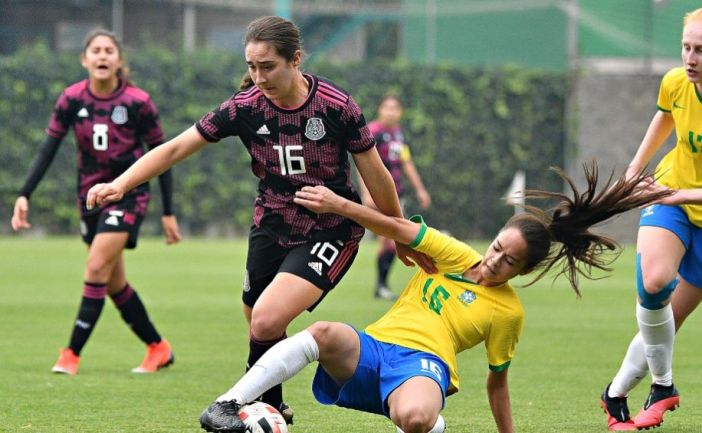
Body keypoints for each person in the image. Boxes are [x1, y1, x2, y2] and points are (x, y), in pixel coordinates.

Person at [86, 16, 432, 423]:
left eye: (267, 66)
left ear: (296, 60)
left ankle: (235, 407)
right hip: (270, 224)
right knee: (257, 319)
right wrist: (122, 183)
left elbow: (377, 176)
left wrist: (401, 232)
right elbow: (177, 147)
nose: (258, 76)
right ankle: (274, 407)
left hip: (330, 229)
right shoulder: (245, 107)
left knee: (267, 317)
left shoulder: (337, 107)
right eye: (252, 66)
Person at [197, 163, 673, 433]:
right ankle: (227, 403)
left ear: (522, 272)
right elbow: (400, 227)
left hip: (422, 367)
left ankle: (431, 423)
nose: (493, 262)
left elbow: (497, 382)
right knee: (322, 333)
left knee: (417, 417)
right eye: (496, 248)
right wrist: (342, 206)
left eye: (508, 262)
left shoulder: (507, 311)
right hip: (374, 348)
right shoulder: (455, 255)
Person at [599, 4, 702, 431]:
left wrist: (675, 194)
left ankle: (616, 390)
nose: (690, 59)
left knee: (670, 318)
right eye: (685, 48)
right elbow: (664, 117)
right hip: (672, 194)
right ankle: (663, 383)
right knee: (654, 284)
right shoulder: (676, 81)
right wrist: (635, 172)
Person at [10, 29, 182, 375]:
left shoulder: (138, 102)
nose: (102, 56)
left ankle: (71, 354)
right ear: (84, 59)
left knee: (94, 268)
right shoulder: (72, 99)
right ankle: (158, 347)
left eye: (109, 50)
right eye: (96, 51)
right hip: (89, 198)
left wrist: (167, 212)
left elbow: (162, 156)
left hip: (129, 195)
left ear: (119, 60)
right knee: (112, 282)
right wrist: (24, 193)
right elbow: (48, 149)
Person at [358, 95, 432, 300]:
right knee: (391, 241)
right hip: (379, 195)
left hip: (396, 195)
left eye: (395, 108)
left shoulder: (398, 135)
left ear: (400, 112)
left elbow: (406, 163)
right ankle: (381, 286)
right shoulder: (373, 132)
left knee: (388, 241)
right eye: (387, 107)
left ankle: (380, 287)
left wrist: (420, 189)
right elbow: (363, 163)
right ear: (380, 109)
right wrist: (367, 193)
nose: (390, 111)